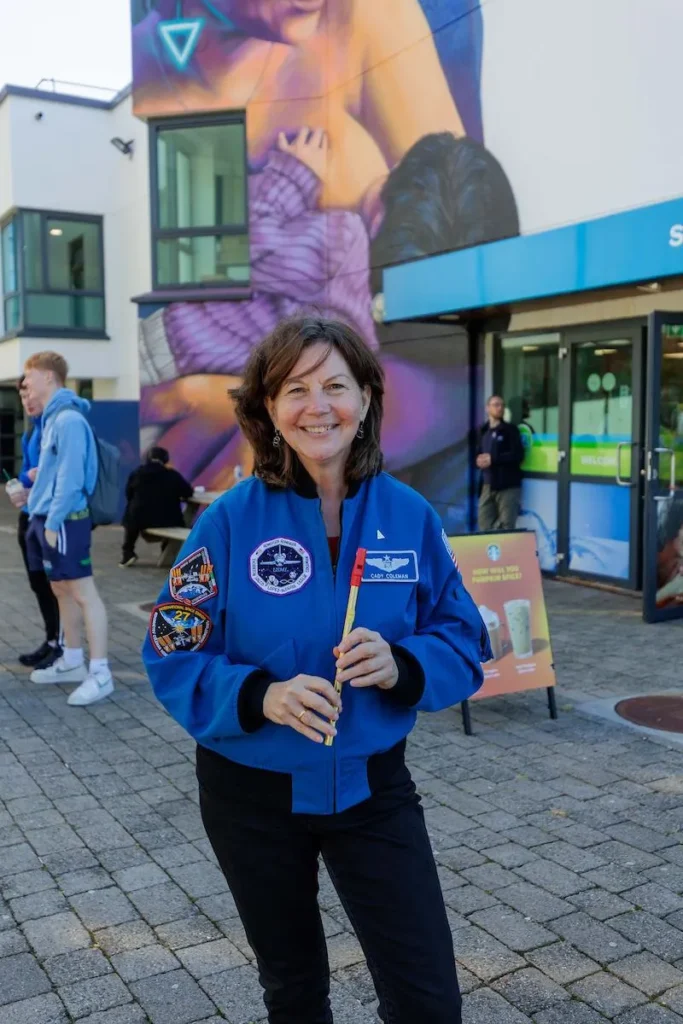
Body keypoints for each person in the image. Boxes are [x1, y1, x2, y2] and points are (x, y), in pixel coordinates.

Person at [142, 316, 492, 1024]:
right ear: (269, 408)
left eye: (335, 384)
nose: (317, 405)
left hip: (372, 788)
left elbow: (463, 638)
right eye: (294, 389)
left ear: (365, 398)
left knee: (427, 998)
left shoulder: (410, 516)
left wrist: (403, 663)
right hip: (250, 798)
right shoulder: (230, 521)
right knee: (294, 990)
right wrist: (258, 697)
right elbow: (172, 646)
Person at [22, 351, 113, 707]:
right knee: (61, 589)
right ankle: (73, 661)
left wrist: (54, 520)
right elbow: (52, 476)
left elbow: (72, 479)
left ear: (48, 377)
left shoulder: (68, 420)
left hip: (64, 522)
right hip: (46, 519)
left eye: (28, 380)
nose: (25, 387)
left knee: (82, 592)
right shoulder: (53, 419)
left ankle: (101, 672)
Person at [5, 378, 62, 669]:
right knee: (38, 583)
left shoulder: (59, 425)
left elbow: (57, 472)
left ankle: (62, 645)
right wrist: (22, 486)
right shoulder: (31, 432)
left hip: (52, 518)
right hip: (29, 515)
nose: (27, 399)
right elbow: (30, 471)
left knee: (59, 585)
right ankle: (52, 640)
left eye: (31, 392)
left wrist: (30, 479)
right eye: (23, 394)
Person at [120, 446, 194, 567]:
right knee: (177, 519)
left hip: (139, 521)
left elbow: (129, 494)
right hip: (168, 520)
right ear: (165, 460)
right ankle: (166, 551)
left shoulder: (137, 473)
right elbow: (188, 492)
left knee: (131, 513)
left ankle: (127, 553)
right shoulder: (172, 475)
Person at [476, 395, 525, 532]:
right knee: (484, 522)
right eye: (496, 405)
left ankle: (507, 553)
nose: (500, 408)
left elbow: (518, 455)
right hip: (487, 485)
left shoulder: (510, 430)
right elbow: (479, 453)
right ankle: (488, 553)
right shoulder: (483, 431)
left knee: (507, 526)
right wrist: (478, 461)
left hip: (508, 486)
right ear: (487, 408)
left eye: (502, 405)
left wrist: (493, 459)